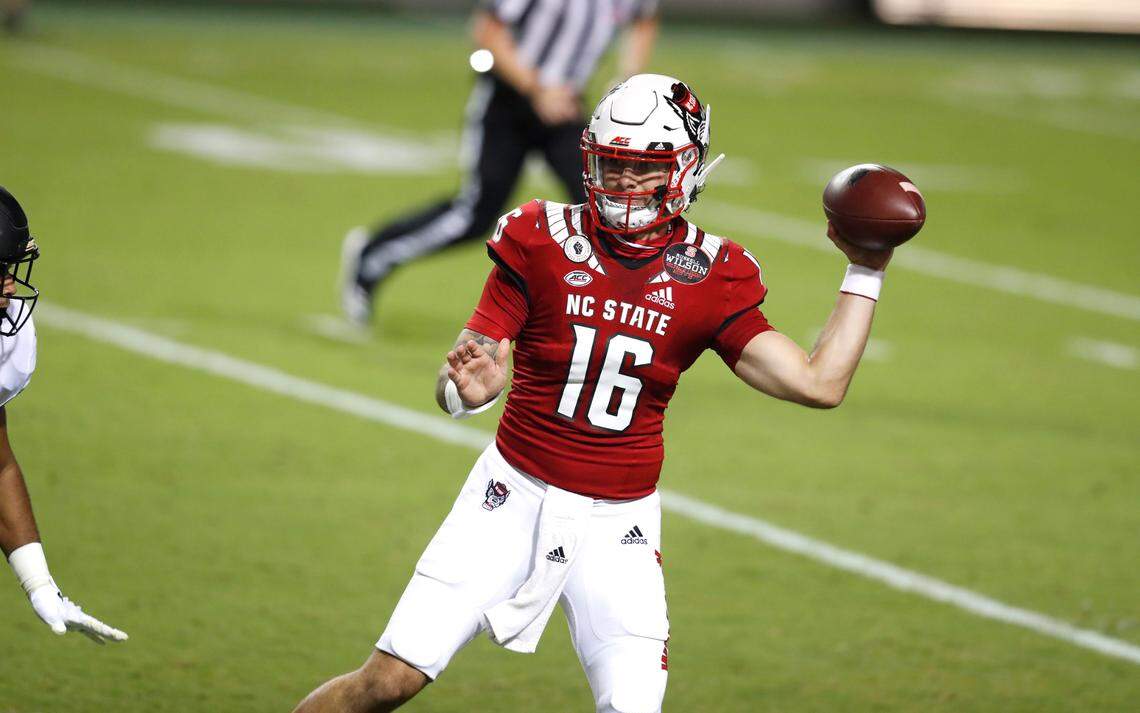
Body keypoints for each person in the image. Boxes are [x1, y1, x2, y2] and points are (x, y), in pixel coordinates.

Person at [296, 74, 894, 713]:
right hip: (509, 497)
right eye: (612, 166)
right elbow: (459, 375)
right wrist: (467, 392)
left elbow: (819, 383)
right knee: (388, 682)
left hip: (620, 524)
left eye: (644, 169)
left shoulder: (713, 272)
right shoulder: (540, 238)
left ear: (686, 168)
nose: (625, 185)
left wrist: (866, 268)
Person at [339, 0, 660, 325]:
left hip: (566, 107)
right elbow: (488, 31)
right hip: (509, 102)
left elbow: (644, 21)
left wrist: (627, 82)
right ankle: (374, 254)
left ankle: (613, 319)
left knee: (607, 208)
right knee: (475, 214)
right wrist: (536, 88)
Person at [0, 186, 127, 644]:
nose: (10, 286)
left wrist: (39, 584)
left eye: (10, 271)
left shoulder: (4, 341)